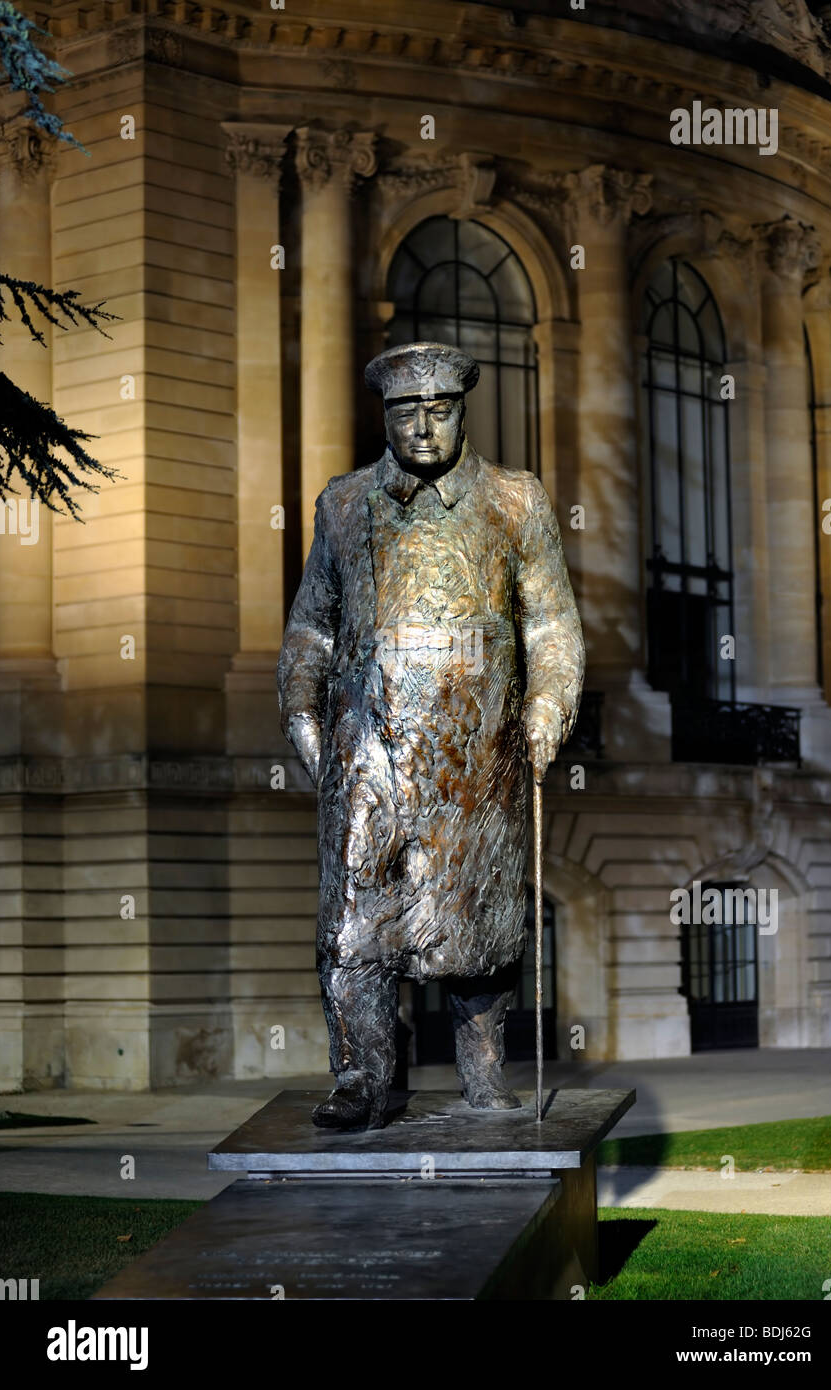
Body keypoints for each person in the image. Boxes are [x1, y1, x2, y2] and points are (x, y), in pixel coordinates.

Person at [278, 342, 585, 1129]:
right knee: (353, 919)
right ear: (384, 415)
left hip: (476, 751)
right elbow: (313, 623)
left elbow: (550, 622)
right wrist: (302, 711)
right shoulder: (344, 504)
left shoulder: (515, 500)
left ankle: (482, 1072)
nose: (422, 427)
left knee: (476, 919)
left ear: (461, 411)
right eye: (406, 412)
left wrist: (549, 705)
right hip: (367, 748)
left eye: (439, 409)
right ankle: (362, 1077)